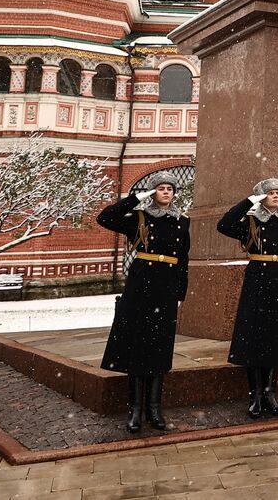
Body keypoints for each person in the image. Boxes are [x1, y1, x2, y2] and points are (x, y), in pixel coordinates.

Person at [98, 176, 191, 433]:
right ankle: (135, 410)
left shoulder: (182, 221)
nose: (165, 193)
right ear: (153, 192)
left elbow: (183, 259)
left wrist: (180, 292)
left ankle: (154, 408)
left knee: (159, 347)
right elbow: (105, 218)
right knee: (137, 346)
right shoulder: (139, 218)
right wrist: (136, 197)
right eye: (160, 188)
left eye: (169, 189)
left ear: (174, 194)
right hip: (141, 285)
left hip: (167, 287)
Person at [217, 178, 278, 419]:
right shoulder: (250, 220)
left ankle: (269, 393)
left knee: (275, 338)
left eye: (277, 193)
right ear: (261, 197)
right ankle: (254, 395)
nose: (275, 196)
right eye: (270, 193)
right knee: (254, 337)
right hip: (257, 281)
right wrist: (248, 202)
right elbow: (224, 225)